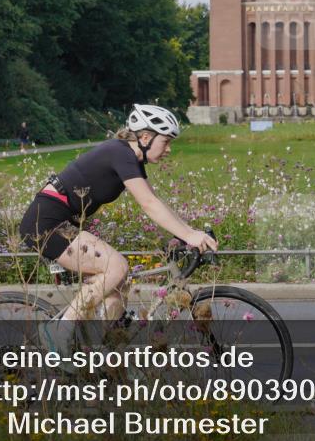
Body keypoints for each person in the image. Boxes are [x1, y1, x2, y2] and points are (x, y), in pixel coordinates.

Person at [19, 104, 217, 356]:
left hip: (61, 223)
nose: (169, 149)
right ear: (145, 138)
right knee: (117, 267)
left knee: (118, 288)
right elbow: (149, 204)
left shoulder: (128, 158)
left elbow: (156, 202)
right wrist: (190, 236)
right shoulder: (119, 153)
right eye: (166, 142)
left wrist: (187, 232)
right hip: (44, 224)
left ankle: (109, 355)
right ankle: (58, 334)